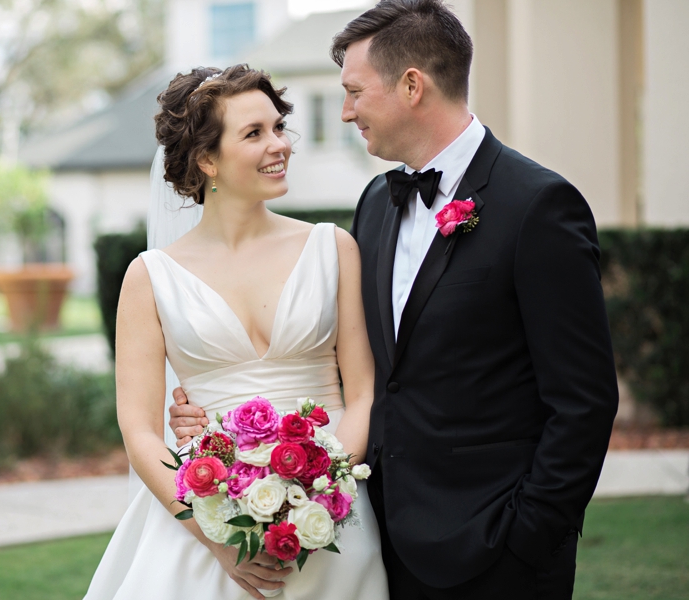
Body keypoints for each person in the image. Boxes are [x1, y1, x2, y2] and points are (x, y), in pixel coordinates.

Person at [169, 1, 619, 598]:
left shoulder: (538, 206)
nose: (347, 111)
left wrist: (528, 534)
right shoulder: (377, 204)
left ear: (412, 86)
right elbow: (354, 367)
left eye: (354, 92)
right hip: (379, 540)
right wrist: (215, 420)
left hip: (499, 549)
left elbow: (584, 401)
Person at [82, 64, 389, 600]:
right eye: (254, 134)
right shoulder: (150, 276)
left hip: (336, 518)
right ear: (206, 160)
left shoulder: (332, 248)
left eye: (278, 127)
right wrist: (217, 539)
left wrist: (321, 495)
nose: (280, 145)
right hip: (207, 517)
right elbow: (140, 432)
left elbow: (362, 392)